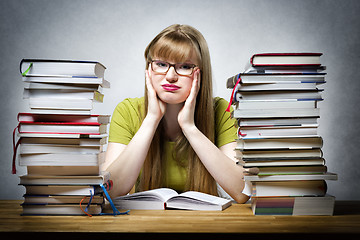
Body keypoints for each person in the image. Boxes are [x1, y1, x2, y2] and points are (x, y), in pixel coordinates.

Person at [103, 24, 250, 203]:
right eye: (161, 64)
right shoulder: (127, 111)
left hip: (206, 224)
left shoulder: (220, 111)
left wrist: (190, 127)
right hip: (144, 224)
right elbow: (109, 190)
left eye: (185, 66)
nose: (171, 76)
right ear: (149, 69)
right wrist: (151, 120)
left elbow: (242, 191)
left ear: (201, 72)